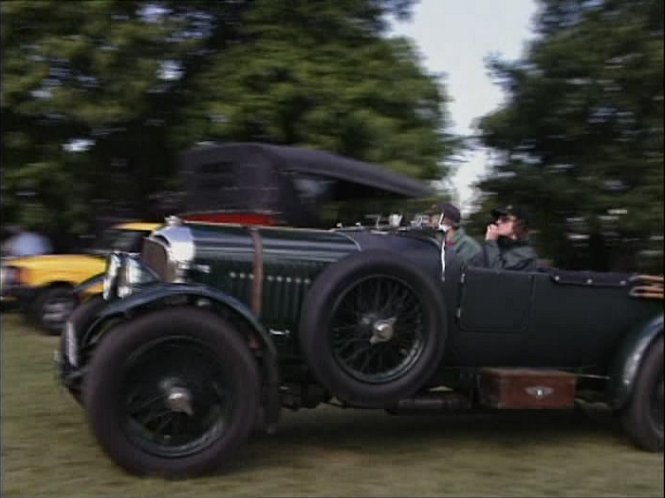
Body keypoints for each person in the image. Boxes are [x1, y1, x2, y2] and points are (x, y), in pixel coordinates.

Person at [470, 205, 538, 271]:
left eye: (505, 219)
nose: (498, 222)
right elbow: (471, 266)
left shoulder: (525, 255)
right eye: (498, 218)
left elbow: (498, 275)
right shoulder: (495, 247)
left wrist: (491, 241)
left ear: (519, 224)